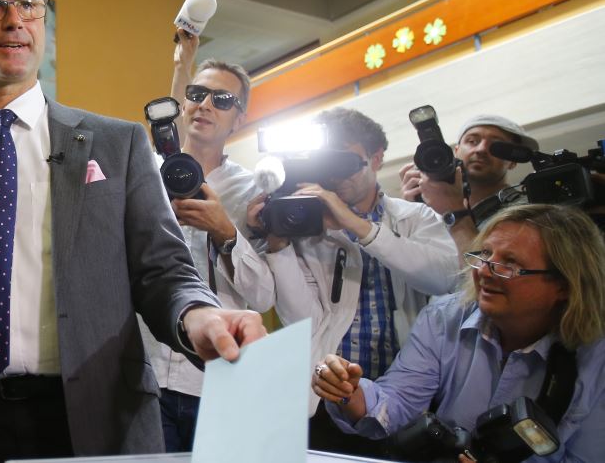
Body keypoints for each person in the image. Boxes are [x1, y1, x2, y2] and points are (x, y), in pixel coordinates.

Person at [0, 0, 265, 463]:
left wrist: (196, 315)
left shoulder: (118, 144)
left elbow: (164, 271)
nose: (14, 20)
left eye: (29, 4)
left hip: (91, 418)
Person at [313, 204, 605, 463]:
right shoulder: (445, 317)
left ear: (564, 284)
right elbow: (398, 402)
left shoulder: (596, 361)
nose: (484, 272)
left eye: (509, 264)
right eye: (485, 254)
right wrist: (349, 393)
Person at [243, 107, 460, 454]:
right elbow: (303, 320)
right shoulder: (311, 225)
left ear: (376, 158)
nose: (334, 174)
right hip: (326, 397)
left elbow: (445, 278)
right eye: (325, 162)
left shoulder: (415, 217)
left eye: (344, 162)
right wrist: (278, 241)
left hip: (405, 395)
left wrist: (358, 227)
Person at [140, 29, 272, 452]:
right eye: (197, 94)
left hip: (215, 376)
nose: (206, 104)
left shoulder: (254, 192)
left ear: (240, 118)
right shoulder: (142, 173)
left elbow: (264, 296)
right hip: (143, 372)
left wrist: (227, 232)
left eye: (223, 99)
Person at [399, 114, 538, 255]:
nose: (481, 149)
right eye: (472, 141)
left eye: (495, 145)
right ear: (456, 151)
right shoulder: (433, 213)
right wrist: (410, 218)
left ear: (513, 162)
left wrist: (454, 212)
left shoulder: (529, 209)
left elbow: (487, 267)